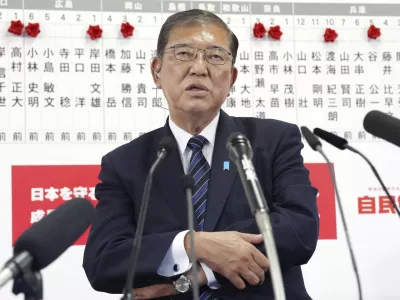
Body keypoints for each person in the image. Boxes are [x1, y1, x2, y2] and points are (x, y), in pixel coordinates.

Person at [83, 9, 319, 300]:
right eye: (183, 54)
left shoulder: (271, 140)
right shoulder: (125, 164)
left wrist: (198, 274)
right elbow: (103, 261)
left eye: (216, 56)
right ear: (156, 71)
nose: (199, 68)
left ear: (231, 78)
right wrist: (190, 244)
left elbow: (299, 229)